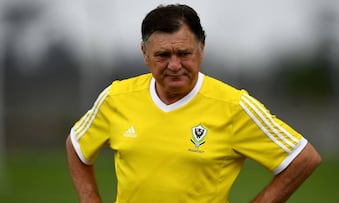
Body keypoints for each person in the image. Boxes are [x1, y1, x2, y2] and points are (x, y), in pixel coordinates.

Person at [66, 4, 321, 203]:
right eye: (163, 55)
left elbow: (303, 158)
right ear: (145, 54)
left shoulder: (234, 106)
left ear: (202, 49)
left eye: (184, 54)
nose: (174, 65)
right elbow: (77, 144)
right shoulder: (116, 97)